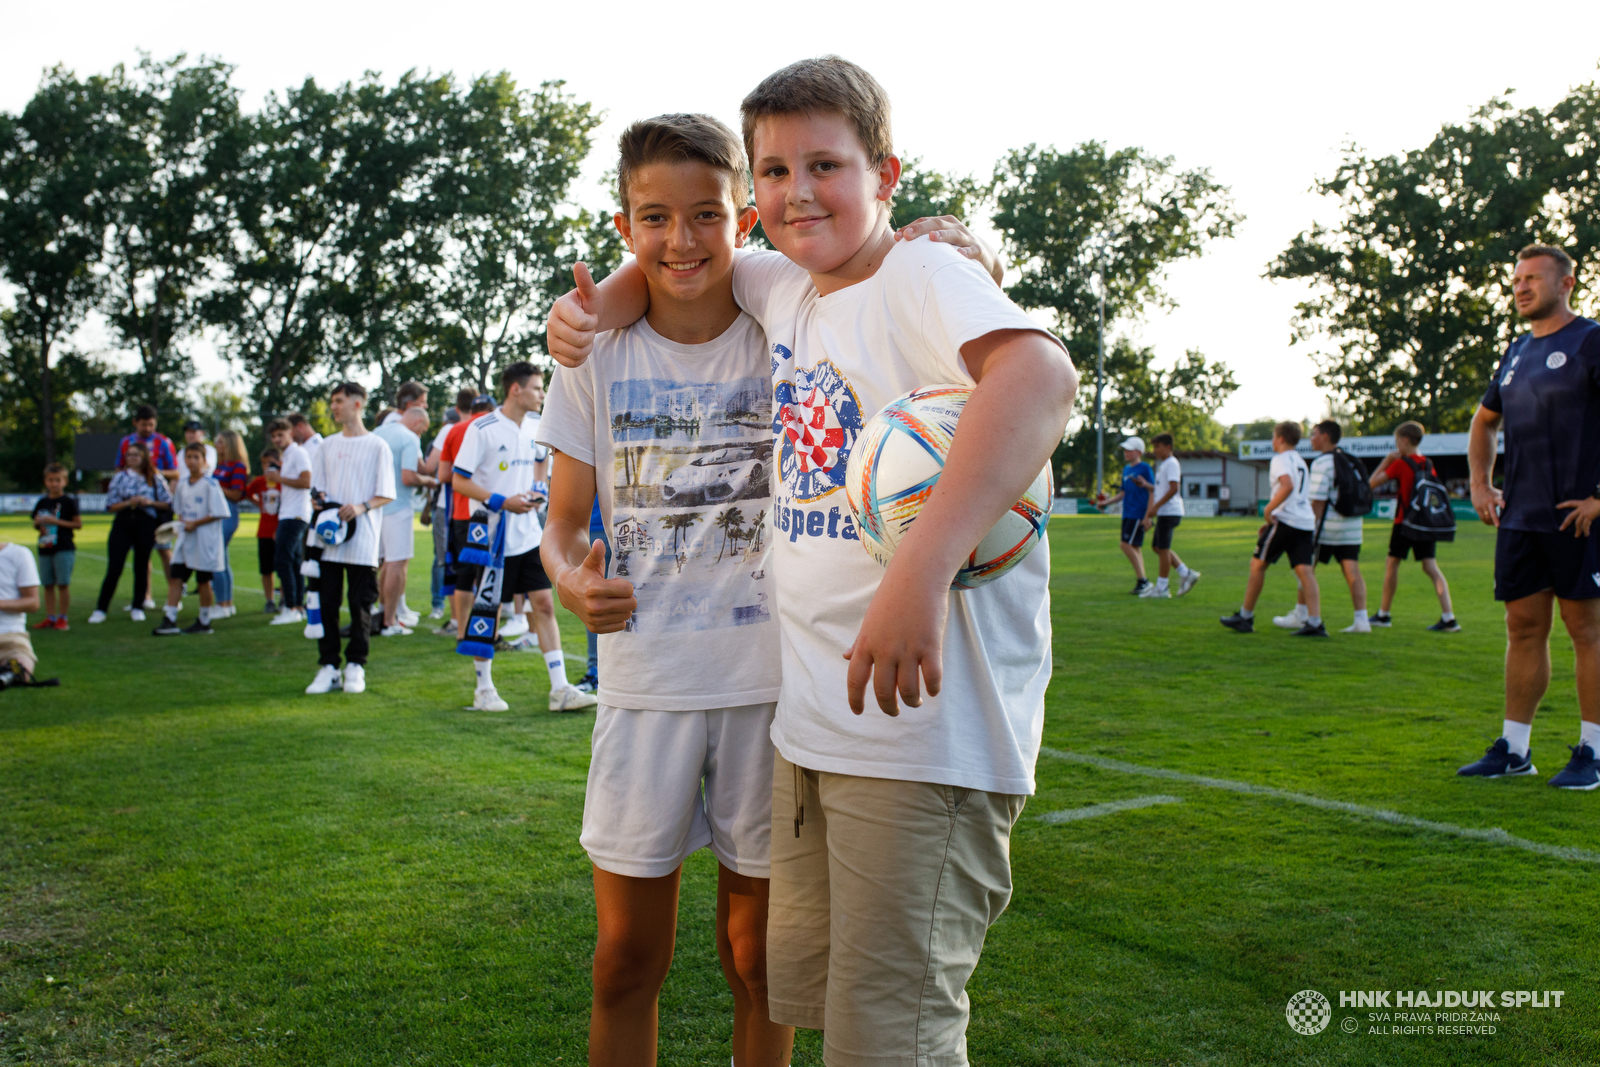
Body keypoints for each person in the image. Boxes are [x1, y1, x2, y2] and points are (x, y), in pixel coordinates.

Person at [546, 58, 1069, 1065]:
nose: (795, 192)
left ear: (887, 175)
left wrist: (921, 564)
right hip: (814, 729)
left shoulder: (915, 274)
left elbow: (1037, 372)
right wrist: (596, 308)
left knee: (890, 1034)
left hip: (918, 730)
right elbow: (676, 251)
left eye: (823, 165)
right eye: (775, 171)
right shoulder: (784, 285)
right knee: (816, 997)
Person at [538, 113, 785, 1064]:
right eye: (655, 218)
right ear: (622, 226)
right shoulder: (593, 352)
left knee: (761, 961)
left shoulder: (789, 323)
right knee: (624, 959)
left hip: (771, 686)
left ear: (746, 219)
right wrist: (569, 582)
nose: (681, 240)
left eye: (705, 215)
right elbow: (561, 526)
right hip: (646, 688)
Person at [1460, 243, 1600, 789]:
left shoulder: (1590, 340)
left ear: (1566, 284)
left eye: (1533, 278)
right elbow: (1483, 423)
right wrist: (1480, 485)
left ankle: (1592, 750)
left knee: (1585, 630)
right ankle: (1515, 748)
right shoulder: (1516, 350)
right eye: (1516, 279)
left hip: (1577, 517)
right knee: (1522, 628)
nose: (1520, 287)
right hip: (1520, 517)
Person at [453, 363, 590, 712]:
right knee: (490, 608)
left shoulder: (536, 426)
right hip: (491, 537)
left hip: (529, 532)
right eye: (537, 388)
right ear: (515, 389)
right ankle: (483, 689)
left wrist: (537, 491)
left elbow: (541, 465)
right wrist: (502, 501)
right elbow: (459, 480)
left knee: (543, 604)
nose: (542, 394)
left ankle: (560, 689)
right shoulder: (481, 428)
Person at [304, 382, 395, 695]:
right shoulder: (325, 445)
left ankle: (356, 665)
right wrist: (321, 504)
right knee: (327, 604)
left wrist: (360, 507)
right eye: (332, 401)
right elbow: (316, 490)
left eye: (339, 401)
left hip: (363, 543)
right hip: (327, 543)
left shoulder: (377, 446)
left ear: (357, 404)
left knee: (360, 605)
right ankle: (328, 666)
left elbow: (386, 493)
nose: (334, 406)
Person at [1221, 421, 1325, 636]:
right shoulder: (1300, 460)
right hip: (1305, 521)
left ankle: (1245, 617)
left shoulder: (1280, 459)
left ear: (1280, 438)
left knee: (1257, 565)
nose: (1272, 441)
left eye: (1273, 436)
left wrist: (1269, 511)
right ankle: (1315, 622)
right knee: (1305, 570)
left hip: (1287, 520)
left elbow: (1287, 486)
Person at [1275, 420, 1369, 633]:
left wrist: (1311, 528)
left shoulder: (1322, 463)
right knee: (1352, 570)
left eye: (1314, 434)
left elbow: (1317, 501)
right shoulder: (1350, 459)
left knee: (1305, 569)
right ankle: (1361, 620)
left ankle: (1301, 614)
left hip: (1328, 527)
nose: (1311, 438)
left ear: (1325, 436)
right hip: (1353, 525)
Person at [1369, 421, 1458, 631]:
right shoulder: (1427, 463)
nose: (1396, 445)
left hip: (1405, 522)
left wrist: (1387, 460)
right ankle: (1449, 617)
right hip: (1425, 523)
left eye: (1397, 441)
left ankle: (1384, 614)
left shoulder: (1401, 463)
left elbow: (1371, 484)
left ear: (1404, 440)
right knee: (1431, 567)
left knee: (1392, 564)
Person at [89, 441, 172, 624]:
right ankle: (101, 608)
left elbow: (167, 502)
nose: (132, 458)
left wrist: (149, 502)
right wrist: (128, 502)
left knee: (141, 566)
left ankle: (138, 606)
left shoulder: (155, 478)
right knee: (114, 567)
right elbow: (110, 505)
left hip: (146, 523)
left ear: (144, 457)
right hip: (124, 522)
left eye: (136, 455)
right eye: (129, 455)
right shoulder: (120, 478)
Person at [154, 442, 231, 635]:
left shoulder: (210, 485)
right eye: (188, 457)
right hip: (185, 540)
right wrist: (179, 525)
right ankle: (170, 618)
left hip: (205, 541)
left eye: (196, 457)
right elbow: (179, 512)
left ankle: (204, 621)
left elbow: (219, 512)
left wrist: (195, 524)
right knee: (176, 577)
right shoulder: (182, 485)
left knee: (203, 581)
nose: (192, 461)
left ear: (204, 461)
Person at [373, 406, 436, 635]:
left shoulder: (379, 433)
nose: (421, 434)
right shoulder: (409, 438)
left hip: (375, 507)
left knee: (383, 563)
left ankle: (380, 612)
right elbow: (408, 477)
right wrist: (428, 481)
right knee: (396, 564)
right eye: (423, 430)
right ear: (418, 422)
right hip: (398, 507)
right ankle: (390, 621)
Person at [437, 395, 495, 636]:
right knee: (490, 576)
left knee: (464, 575)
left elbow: (442, 476)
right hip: (489, 512)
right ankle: (487, 634)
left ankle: (461, 632)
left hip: (461, 513)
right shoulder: (496, 428)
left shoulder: (455, 430)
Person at [422, 389, 475, 622]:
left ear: (456, 409)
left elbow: (438, 471)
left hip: (452, 506)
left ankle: (452, 617)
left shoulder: (450, 430)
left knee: (448, 560)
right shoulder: (488, 427)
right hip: (483, 505)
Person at [117, 405, 178, 604]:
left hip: (157, 506)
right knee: (143, 554)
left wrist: (152, 472)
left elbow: (175, 472)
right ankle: (146, 596)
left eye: (151, 425)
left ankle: (174, 595)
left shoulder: (163, 442)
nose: (148, 429)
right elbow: (120, 469)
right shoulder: (127, 442)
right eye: (144, 425)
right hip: (135, 510)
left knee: (163, 548)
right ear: (136, 423)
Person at [1139, 433, 1199, 598]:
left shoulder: (1171, 463)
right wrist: (1146, 485)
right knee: (1157, 547)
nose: (1155, 450)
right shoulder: (1164, 464)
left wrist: (1155, 508)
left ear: (1168, 447)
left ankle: (1162, 587)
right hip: (1165, 511)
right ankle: (1185, 572)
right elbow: (1162, 489)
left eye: (1158, 446)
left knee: (1163, 549)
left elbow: (1174, 489)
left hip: (1169, 511)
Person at [268, 418, 314, 625]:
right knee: (294, 563)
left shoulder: (298, 453)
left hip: (295, 515)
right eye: (274, 436)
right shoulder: (287, 456)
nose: (277, 440)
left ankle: (291, 607)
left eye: (280, 434)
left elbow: (306, 481)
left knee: (283, 561)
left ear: (291, 433)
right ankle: (298, 606)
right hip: (289, 513)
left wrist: (280, 479)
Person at [1096, 437, 1155, 594]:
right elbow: (1123, 493)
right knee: (1134, 546)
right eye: (1125, 450)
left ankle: (1143, 581)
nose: (1126, 453)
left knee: (1125, 544)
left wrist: (1148, 515)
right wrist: (1106, 503)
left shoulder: (1145, 468)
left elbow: (1152, 490)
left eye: (1129, 450)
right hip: (1128, 513)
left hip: (1138, 513)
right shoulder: (1126, 470)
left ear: (1138, 452)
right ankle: (1143, 582)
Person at [30, 463, 81, 630]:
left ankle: (63, 617)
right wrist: (38, 525)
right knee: (48, 584)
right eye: (51, 480)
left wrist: (56, 521)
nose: (54, 484)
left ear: (65, 481)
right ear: (46, 482)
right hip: (45, 547)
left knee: (63, 584)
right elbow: (36, 523)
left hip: (64, 547)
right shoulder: (42, 502)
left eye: (58, 480)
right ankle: (50, 617)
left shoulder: (69, 502)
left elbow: (77, 524)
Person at [211, 431, 250, 619]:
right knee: (223, 560)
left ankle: (221, 604)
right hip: (217, 513)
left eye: (220, 442)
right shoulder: (220, 465)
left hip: (228, 513)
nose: (217, 445)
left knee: (216, 558)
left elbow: (236, 494)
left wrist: (215, 486)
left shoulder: (238, 466)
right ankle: (227, 603)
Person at [246, 447, 282, 612]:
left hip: (281, 531)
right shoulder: (260, 482)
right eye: (264, 463)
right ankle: (269, 600)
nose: (267, 467)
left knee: (283, 567)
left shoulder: (284, 482)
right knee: (266, 569)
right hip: (264, 532)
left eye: (270, 463)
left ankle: (284, 597)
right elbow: (247, 493)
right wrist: (258, 503)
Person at [0, 538, 42, 678]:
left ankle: (8, 674)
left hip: (9, 636)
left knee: (21, 671)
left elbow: (33, 602)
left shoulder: (18, 554)